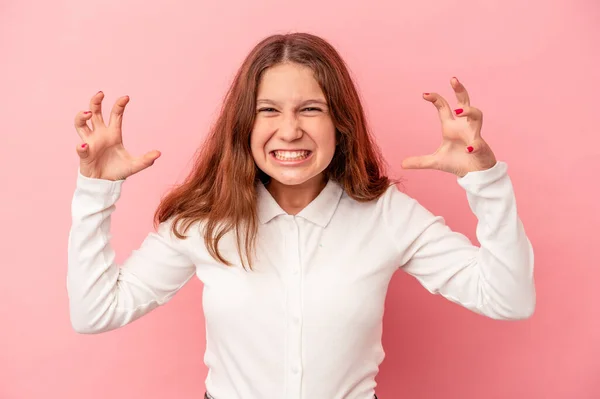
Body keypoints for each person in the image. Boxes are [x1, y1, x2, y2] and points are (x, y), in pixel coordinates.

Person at [67, 32, 536, 399]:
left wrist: (485, 180)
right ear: (244, 126)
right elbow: (96, 311)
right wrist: (97, 192)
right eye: (268, 110)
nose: (289, 130)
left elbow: (507, 299)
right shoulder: (206, 220)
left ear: (340, 123)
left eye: (311, 109)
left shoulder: (386, 215)